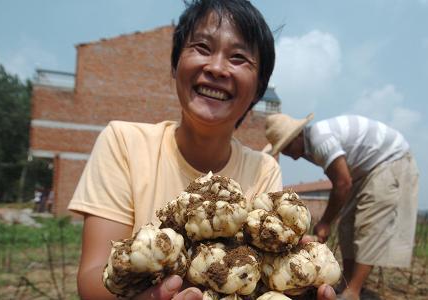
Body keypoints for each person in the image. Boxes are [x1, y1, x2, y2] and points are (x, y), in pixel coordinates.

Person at [68, 1, 336, 299]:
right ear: (175, 64)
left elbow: (262, 276)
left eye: (238, 57)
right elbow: (93, 278)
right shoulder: (123, 141)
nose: (217, 68)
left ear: (259, 88)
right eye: (202, 48)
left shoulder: (264, 168)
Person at [264, 113, 419, 300]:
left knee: (369, 225)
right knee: (346, 225)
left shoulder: (320, 140)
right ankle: (346, 282)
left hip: (389, 162)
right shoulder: (309, 147)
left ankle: (352, 291)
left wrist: (325, 222)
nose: (287, 153)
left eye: (287, 146)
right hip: (363, 173)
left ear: (298, 136)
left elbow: (342, 183)